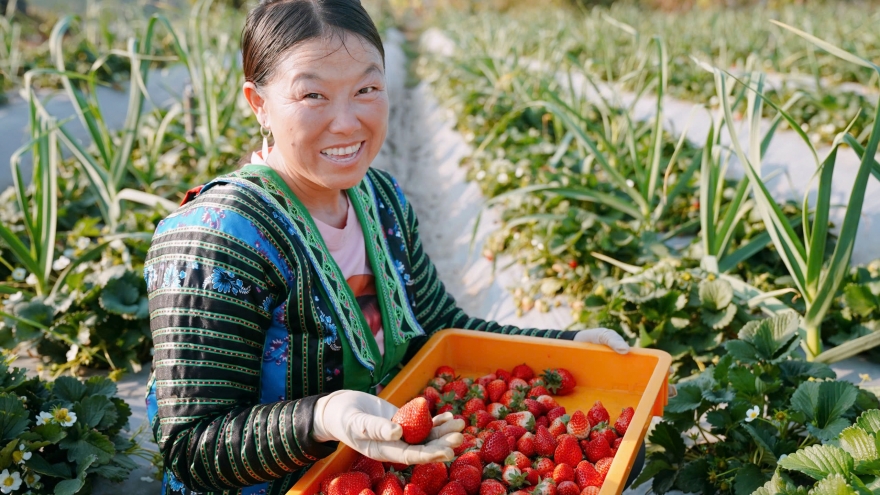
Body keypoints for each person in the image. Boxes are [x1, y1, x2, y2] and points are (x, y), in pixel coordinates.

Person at [143, 1, 630, 493]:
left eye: (367, 89)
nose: (348, 122)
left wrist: (560, 348)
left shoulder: (381, 200)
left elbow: (440, 328)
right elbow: (192, 448)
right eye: (313, 94)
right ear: (258, 102)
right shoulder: (216, 241)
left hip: (388, 464)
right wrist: (322, 416)